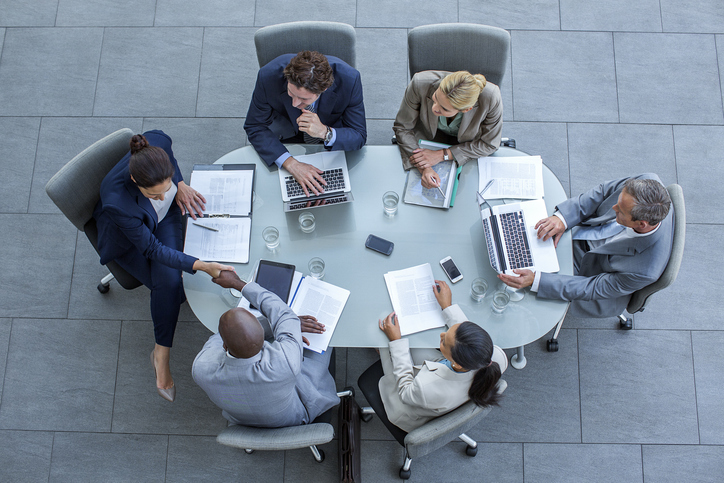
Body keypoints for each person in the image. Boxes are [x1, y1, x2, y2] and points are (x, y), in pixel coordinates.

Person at [93, 130, 234, 402]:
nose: (161, 197)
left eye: (165, 188)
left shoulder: (157, 143)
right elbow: (151, 249)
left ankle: (160, 349)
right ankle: (161, 354)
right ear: (136, 181)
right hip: (130, 240)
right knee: (170, 285)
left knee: (174, 286)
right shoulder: (117, 202)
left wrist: (178, 185)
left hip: (164, 219)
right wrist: (202, 266)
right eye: (154, 194)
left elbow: (168, 156)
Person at [499, 173, 674, 318]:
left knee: (517, 287)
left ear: (641, 224)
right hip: (584, 233)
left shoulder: (644, 270)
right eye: (618, 202)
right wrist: (563, 219)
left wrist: (537, 280)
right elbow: (604, 192)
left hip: (593, 274)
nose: (613, 208)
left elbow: (593, 287)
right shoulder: (646, 182)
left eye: (620, 211)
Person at [192, 271, 339, 427]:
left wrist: (284, 327)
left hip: (242, 421)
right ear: (263, 338)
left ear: (224, 346)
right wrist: (238, 283)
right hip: (295, 416)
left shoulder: (200, 368)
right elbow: (284, 314)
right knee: (328, 335)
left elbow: (221, 336)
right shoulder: (284, 362)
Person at [374, 280, 507, 433]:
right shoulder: (494, 356)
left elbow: (405, 391)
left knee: (385, 339)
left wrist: (396, 342)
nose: (442, 334)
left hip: (408, 401)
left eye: (443, 341)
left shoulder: (426, 388)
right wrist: (447, 306)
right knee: (411, 343)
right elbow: (465, 336)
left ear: (456, 363)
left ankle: (381, 350)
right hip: (442, 375)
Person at [244, 50, 367, 197]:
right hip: (286, 137)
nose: (295, 103)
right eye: (291, 93)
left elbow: (359, 135)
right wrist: (290, 163)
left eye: (304, 100)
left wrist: (325, 132)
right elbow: (255, 126)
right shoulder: (267, 76)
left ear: (324, 89)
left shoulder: (350, 80)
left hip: (331, 144)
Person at [393, 70, 503, 189]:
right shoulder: (419, 83)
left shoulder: (491, 98)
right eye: (435, 98)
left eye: (444, 109)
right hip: (427, 138)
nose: (434, 109)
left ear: (466, 109)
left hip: (467, 145)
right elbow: (403, 127)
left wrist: (443, 155)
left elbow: (490, 144)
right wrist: (424, 167)